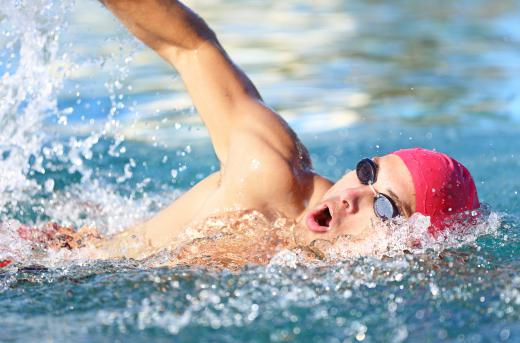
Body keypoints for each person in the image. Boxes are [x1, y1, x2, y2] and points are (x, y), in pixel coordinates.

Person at [0, 0, 481, 269]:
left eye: (384, 206)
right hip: (38, 260)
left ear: (415, 249)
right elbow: (190, 47)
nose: (352, 194)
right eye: (367, 172)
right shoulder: (268, 176)